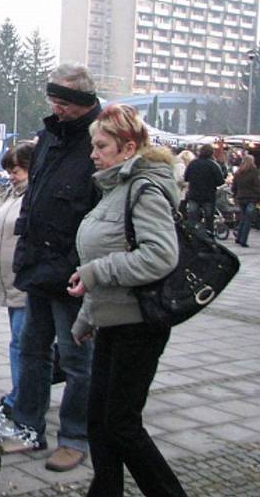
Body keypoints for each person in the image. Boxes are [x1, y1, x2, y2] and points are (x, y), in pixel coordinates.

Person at [68, 104, 187, 497]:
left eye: (102, 145)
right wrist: (88, 315)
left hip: (140, 323)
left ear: (128, 147)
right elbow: (99, 258)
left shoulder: (143, 188)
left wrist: (96, 274)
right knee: (99, 421)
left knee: (121, 423)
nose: (93, 153)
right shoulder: (114, 187)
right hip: (114, 319)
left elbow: (159, 256)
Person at [11, 63, 102, 472]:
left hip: (72, 272)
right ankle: (28, 425)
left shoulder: (100, 140)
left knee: (76, 358)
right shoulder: (48, 136)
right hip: (38, 264)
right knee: (32, 349)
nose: (57, 109)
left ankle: (74, 436)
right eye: (54, 101)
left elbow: (102, 213)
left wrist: (82, 265)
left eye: (64, 103)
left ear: (83, 103)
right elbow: (35, 192)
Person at [0, 141, 35, 419]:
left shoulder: (34, 196)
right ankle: (21, 394)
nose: (11, 176)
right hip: (8, 279)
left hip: (24, 282)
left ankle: (22, 399)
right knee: (19, 342)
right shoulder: (13, 194)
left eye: (16, 170)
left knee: (23, 343)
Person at [184, 144, 224, 234]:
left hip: (194, 195)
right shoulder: (213, 165)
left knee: (192, 219)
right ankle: (208, 237)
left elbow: (186, 177)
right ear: (211, 153)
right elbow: (220, 181)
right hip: (208, 196)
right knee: (209, 220)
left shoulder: (193, 163)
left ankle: (191, 236)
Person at [232, 154, 260, 248]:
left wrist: (235, 195)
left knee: (243, 218)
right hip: (251, 198)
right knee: (248, 220)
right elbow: (257, 185)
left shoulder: (238, 172)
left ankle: (238, 238)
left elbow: (234, 186)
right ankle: (243, 240)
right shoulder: (254, 172)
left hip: (240, 198)